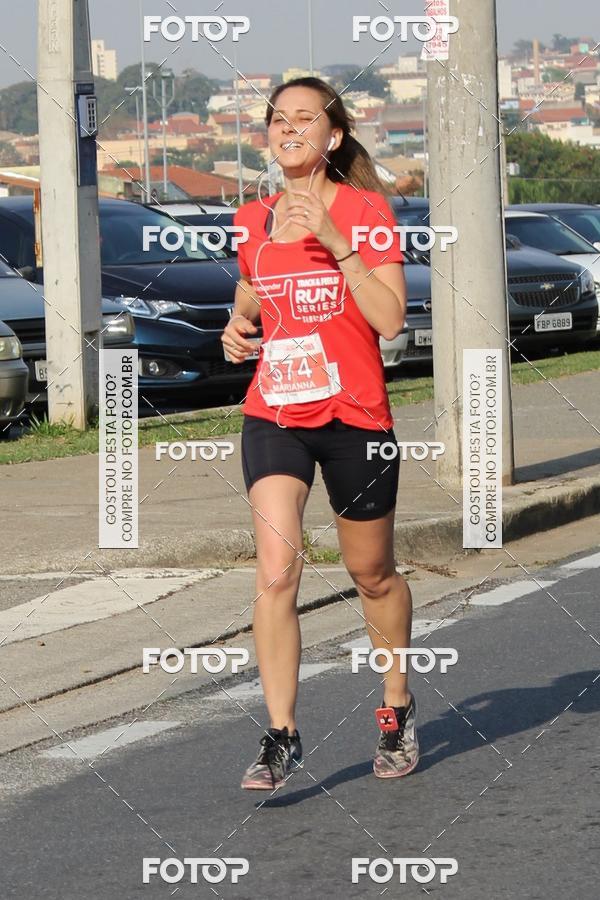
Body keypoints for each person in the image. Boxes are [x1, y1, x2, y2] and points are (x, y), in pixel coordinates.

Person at [221, 77, 417, 790]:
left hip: (356, 418)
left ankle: (396, 706)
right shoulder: (253, 218)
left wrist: (337, 242)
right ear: (267, 137)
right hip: (275, 413)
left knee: (372, 574)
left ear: (333, 137)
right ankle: (281, 734)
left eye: (305, 118)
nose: (289, 128)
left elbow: (390, 318)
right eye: (278, 119)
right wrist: (236, 329)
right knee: (276, 571)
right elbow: (251, 293)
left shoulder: (365, 211)